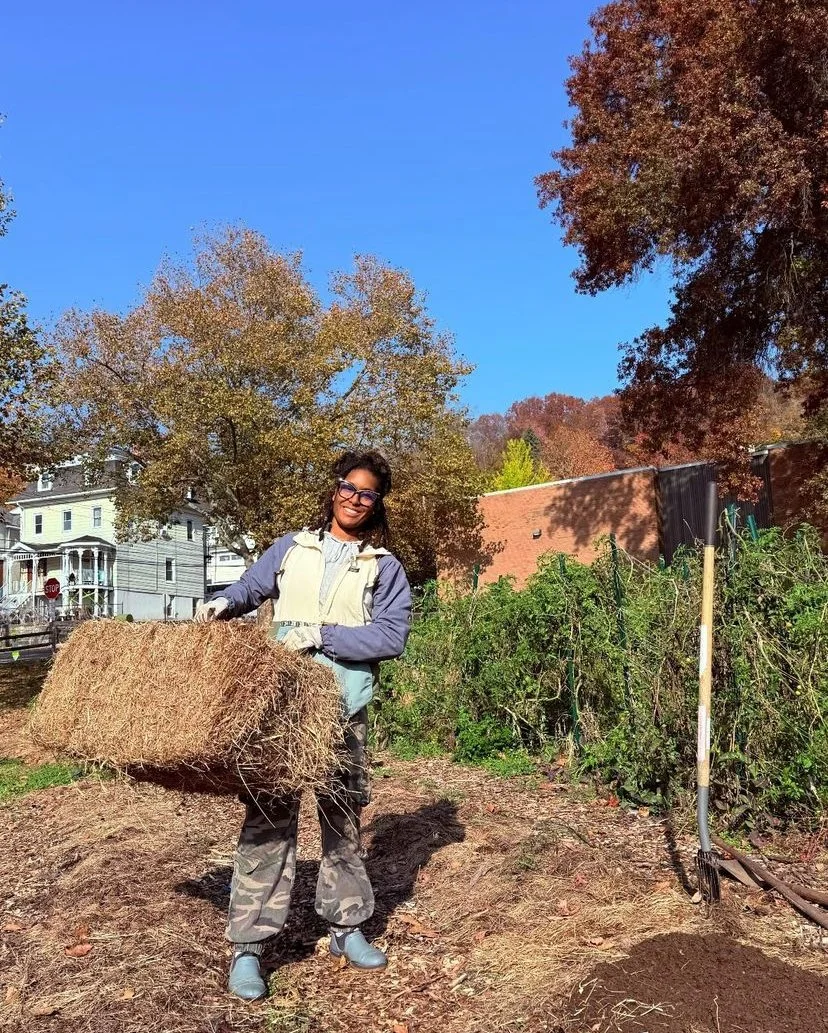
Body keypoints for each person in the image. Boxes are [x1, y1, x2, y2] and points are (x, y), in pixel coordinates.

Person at [194, 450, 411, 1001]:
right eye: (348, 487)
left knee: (343, 821)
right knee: (268, 821)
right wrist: (222, 602)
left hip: (343, 711)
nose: (355, 499)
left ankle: (346, 928)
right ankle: (248, 946)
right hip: (282, 711)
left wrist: (323, 635)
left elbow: (392, 637)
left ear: (376, 502)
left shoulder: (384, 565)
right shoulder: (292, 548)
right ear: (334, 489)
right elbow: (250, 588)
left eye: (367, 493)